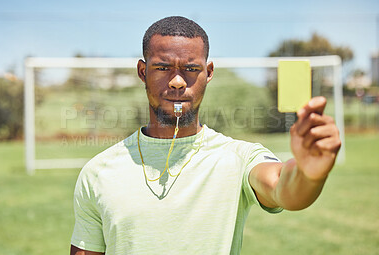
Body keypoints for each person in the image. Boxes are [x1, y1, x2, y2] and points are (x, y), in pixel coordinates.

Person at [70, 16, 341, 255]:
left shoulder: (238, 158)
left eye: (191, 69)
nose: (177, 81)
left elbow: (283, 187)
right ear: (143, 72)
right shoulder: (98, 172)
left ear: (208, 73)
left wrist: (309, 173)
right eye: (163, 68)